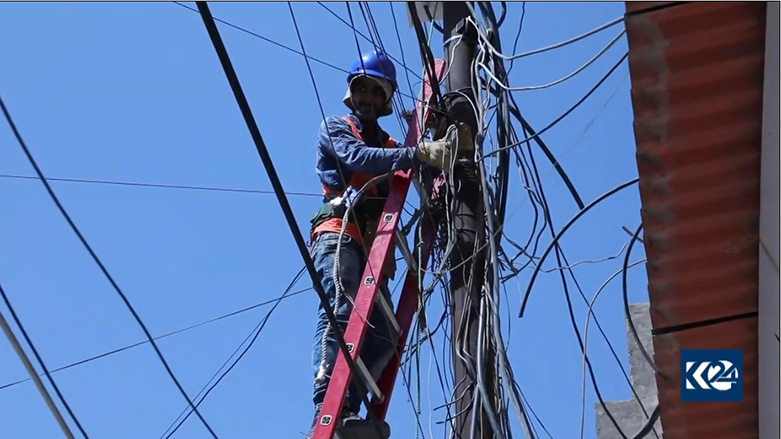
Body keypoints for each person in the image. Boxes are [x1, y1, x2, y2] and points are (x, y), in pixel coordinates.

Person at [306, 49, 472, 436]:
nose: (367, 98)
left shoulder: (392, 143)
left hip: (369, 248)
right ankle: (325, 407)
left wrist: (444, 158)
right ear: (352, 92)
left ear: (385, 99)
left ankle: (349, 406)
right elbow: (359, 158)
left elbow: (413, 167)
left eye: (375, 92)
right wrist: (418, 152)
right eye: (361, 89)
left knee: (383, 336)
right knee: (341, 310)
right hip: (339, 235)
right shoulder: (336, 126)